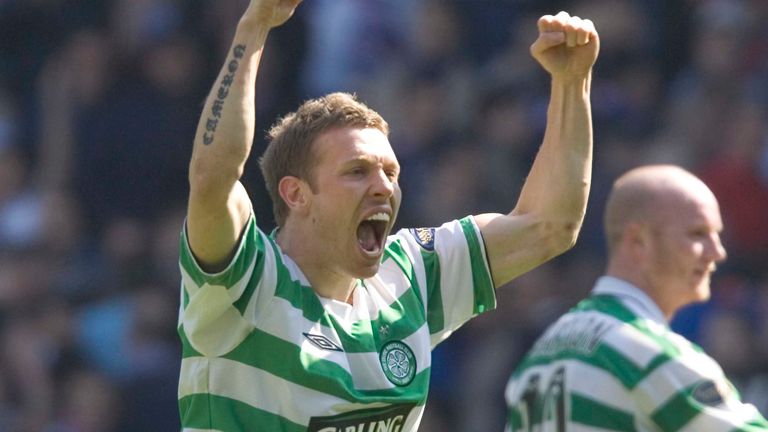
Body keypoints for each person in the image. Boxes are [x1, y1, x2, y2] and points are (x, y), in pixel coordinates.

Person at [178, 0, 599, 430]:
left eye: (391, 172)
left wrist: (571, 82)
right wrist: (254, 28)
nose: (384, 186)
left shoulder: (410, 275)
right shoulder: (245, 280)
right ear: (297, 194)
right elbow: (213, 177)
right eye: (357, 171)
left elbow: (549, 226)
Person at [504, 165, 768, 431]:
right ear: (638, 241)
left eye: (718, 235)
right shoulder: (649, 353)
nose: (717, 252)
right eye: (698, 234)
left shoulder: (537, 359)